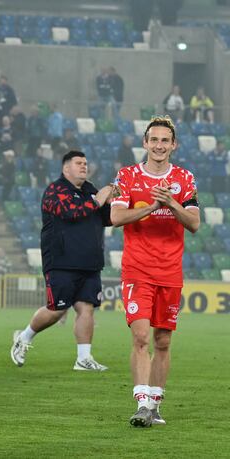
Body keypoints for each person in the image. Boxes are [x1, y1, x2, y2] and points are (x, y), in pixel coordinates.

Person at [110, 117, 199, 427]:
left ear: (173, 145)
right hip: (137, 270)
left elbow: (194, 223)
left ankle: (155, 404)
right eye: (154, 140)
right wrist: (151, 205)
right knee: (141, 336)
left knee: (162, 342)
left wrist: (170, 202)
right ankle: (141, 403)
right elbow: (117, 216)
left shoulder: (185, 178)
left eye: (165, 140)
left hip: (171, 271)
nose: (159, 145)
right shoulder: (127, 176)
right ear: (145, 143)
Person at [10, 150, 113, 372]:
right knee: (57, 309)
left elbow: (106, 219)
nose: (84, 166)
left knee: (87, 309)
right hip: (61, 261)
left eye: (86, 163)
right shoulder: (55, 190)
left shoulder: (90, 190)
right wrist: (98, 200)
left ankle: (83, 358)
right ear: (66, 168)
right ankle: (24, 337)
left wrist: (110, 203)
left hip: (90, 261)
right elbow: (70, 212)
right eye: (79, 163)